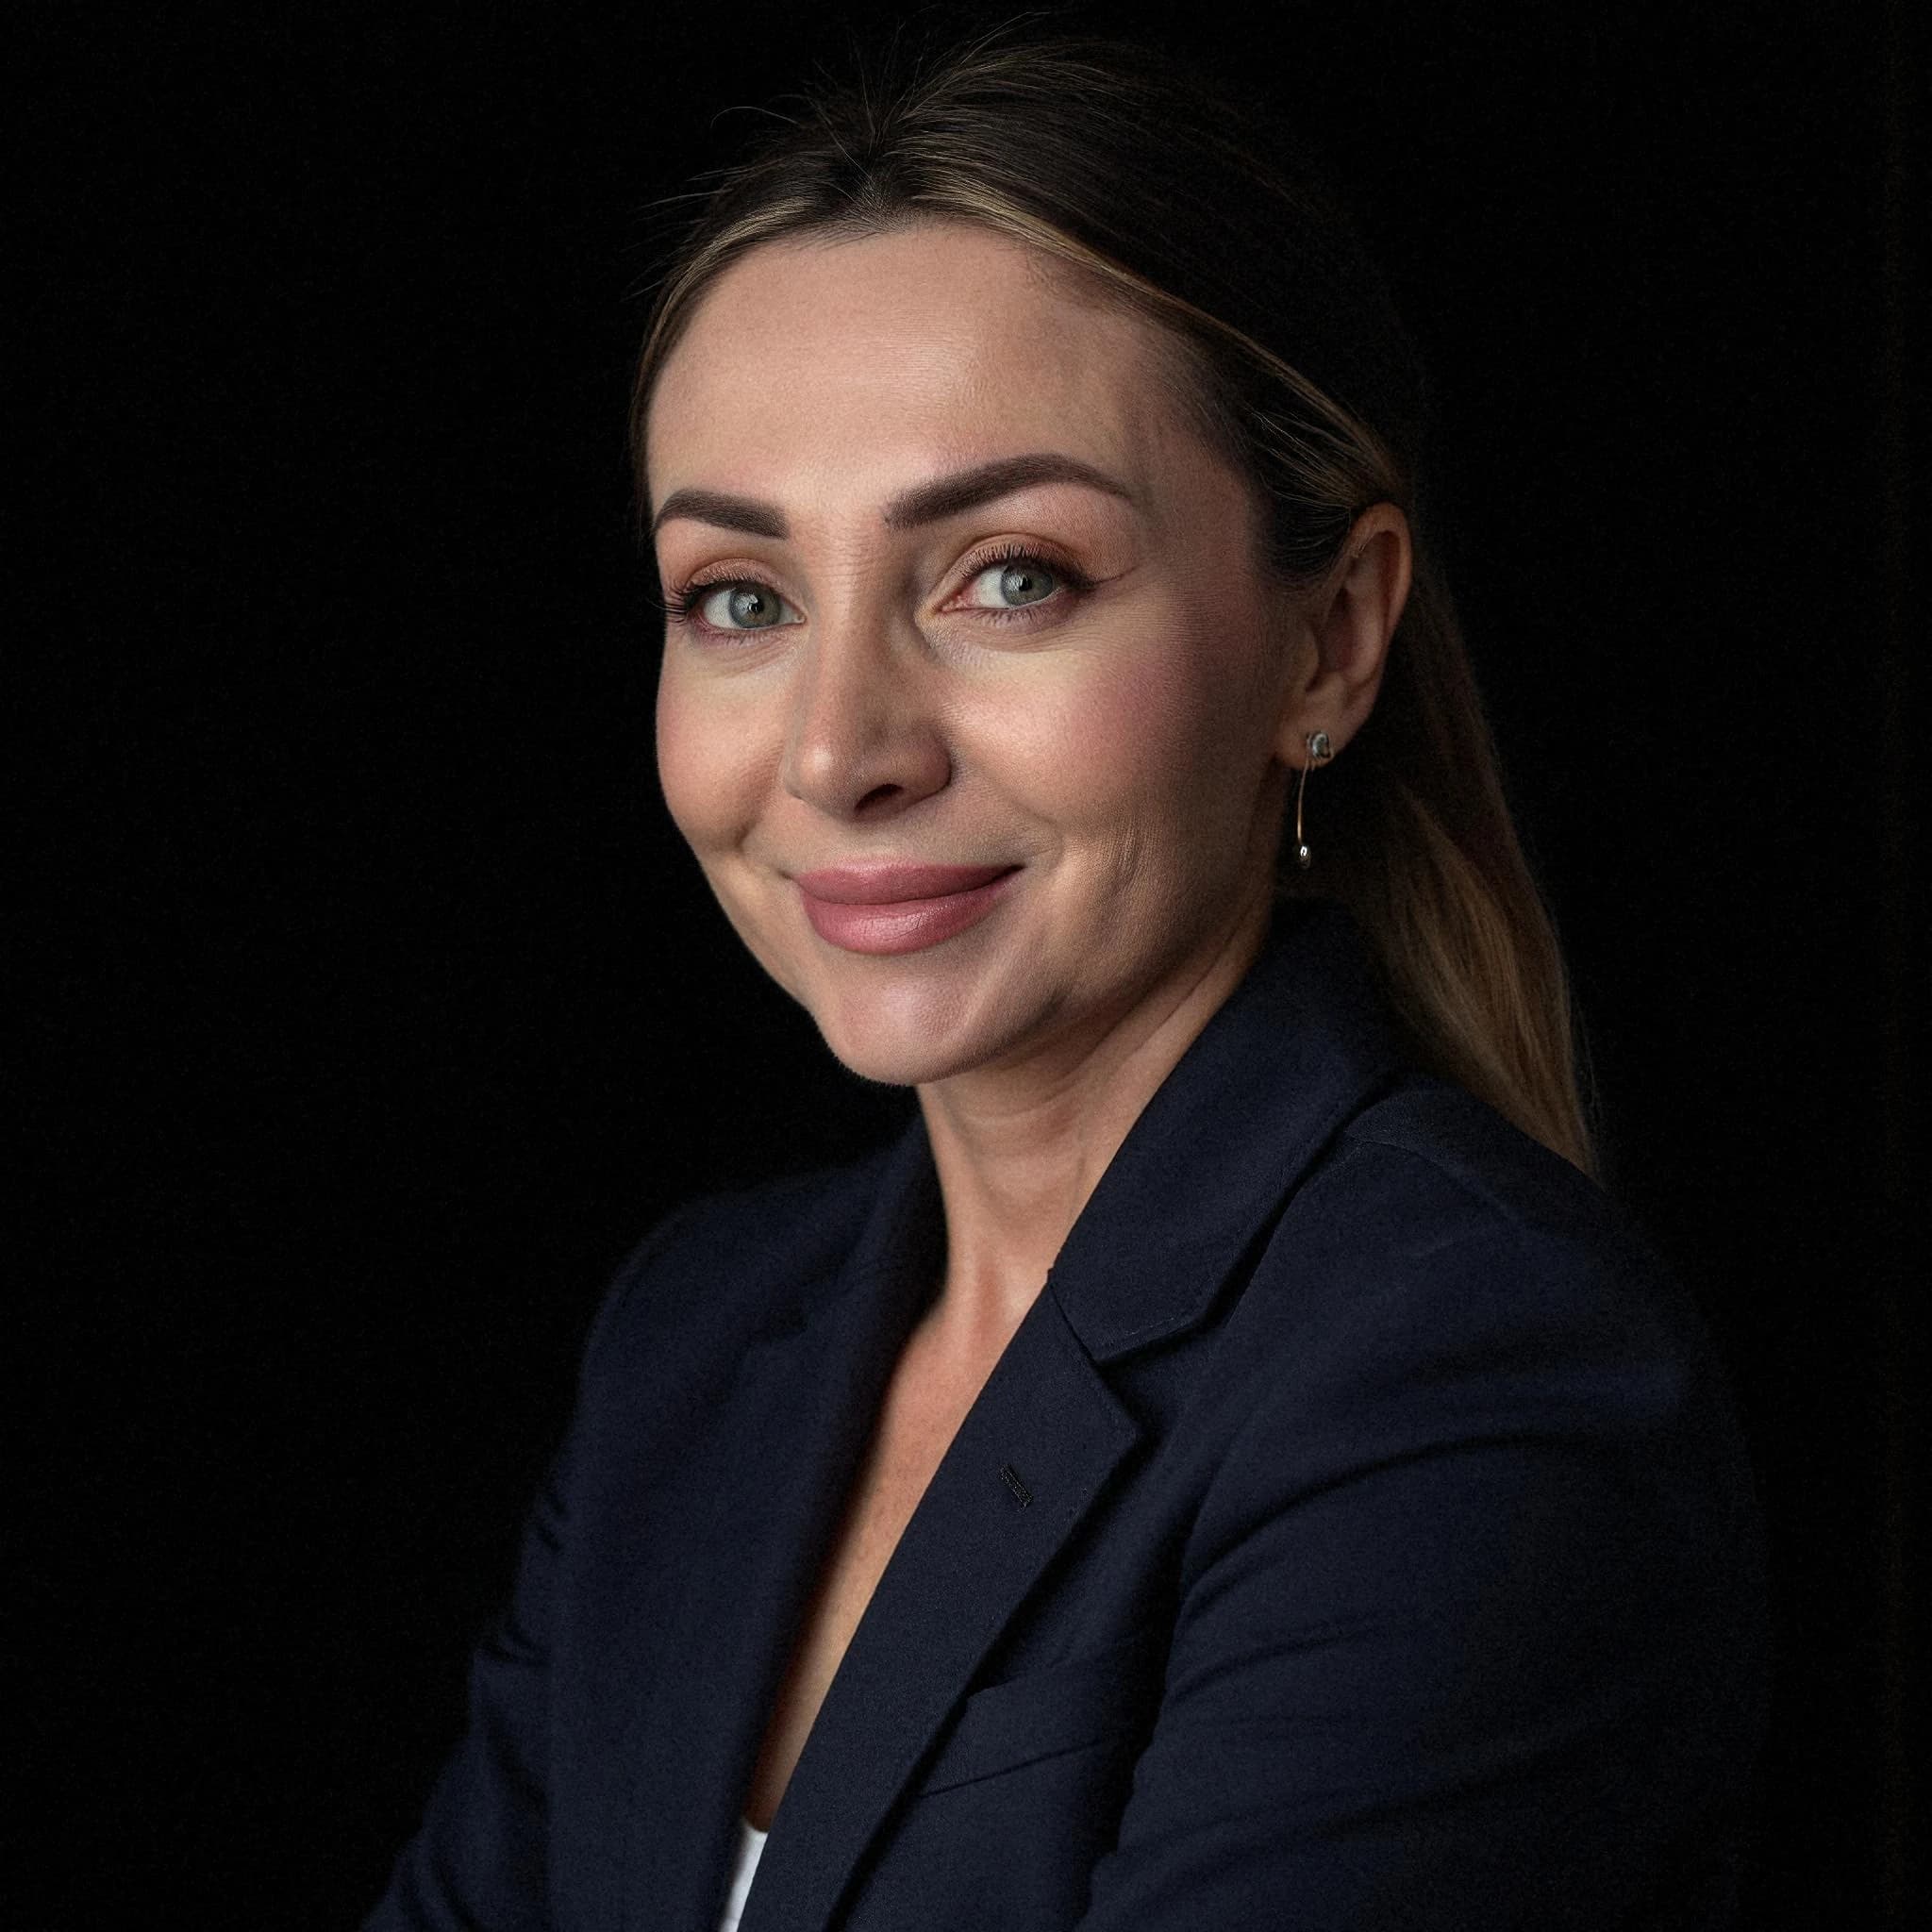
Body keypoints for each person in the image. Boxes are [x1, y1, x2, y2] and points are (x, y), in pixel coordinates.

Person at [364, 20, 1768, 1929]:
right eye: (742, 599)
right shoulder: (697, 1341)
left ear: (1328, 644)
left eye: (1008, 573)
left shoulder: (1465, 1371)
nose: (839, 746)